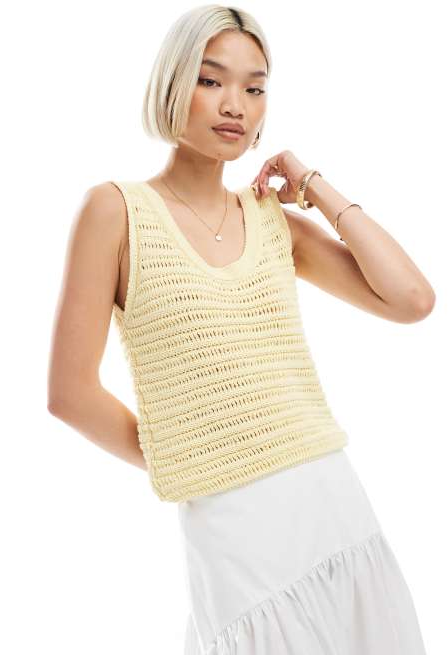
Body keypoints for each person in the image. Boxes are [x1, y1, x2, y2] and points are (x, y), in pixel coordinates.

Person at [47, 5, 434, 653]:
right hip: (231, 526)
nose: (235, 105)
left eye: (254, 88)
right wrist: (192, 453)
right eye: (210, 80)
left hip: (331, 504)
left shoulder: (272, 222)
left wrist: (313, 185)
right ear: (172, 84)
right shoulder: (114, 211)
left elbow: (412, 299)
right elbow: (69, 393)